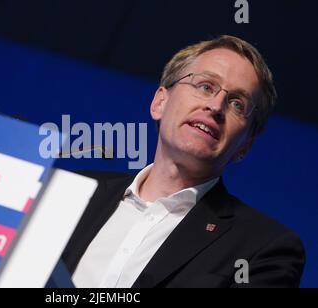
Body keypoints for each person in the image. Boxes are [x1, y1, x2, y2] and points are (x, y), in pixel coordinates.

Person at [61, 35, 306, 288]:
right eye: (206, 86)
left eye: (237, 104)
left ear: (244, 146)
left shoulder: (265, 249)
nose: (216, 106)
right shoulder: (70, 191)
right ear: (160, 103)